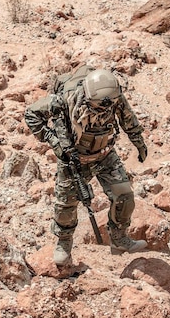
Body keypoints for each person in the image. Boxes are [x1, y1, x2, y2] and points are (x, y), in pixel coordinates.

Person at [24, 66, 148, 266]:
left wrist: (139, 143)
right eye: (100, 107)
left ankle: (119, 238)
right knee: (66, 205)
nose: (105, 110)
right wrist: (53, 141)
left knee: (125, 196)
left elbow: (128, 119)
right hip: (74, 160)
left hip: (105, 155)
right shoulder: (64, 101)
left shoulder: (113, 98)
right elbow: (31, 114)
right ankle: (64, 242)